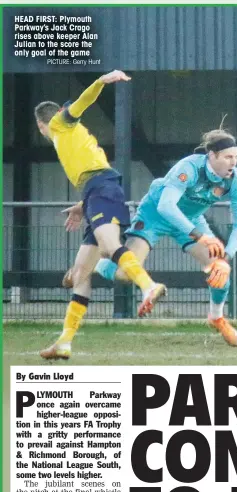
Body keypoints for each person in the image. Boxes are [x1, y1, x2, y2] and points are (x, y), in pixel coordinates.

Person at [35, 70, 166, 361]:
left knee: (108, 247)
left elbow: (80, 103)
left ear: (40, 125)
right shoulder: (67, 139)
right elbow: (89, 167)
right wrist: (83, 205)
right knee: (80, 273)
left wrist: (100, 81)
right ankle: (65, 342)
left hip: (102, 188)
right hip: (95, 193)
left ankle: (149, 286)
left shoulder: (59, 124)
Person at [83, 128, 237, 346]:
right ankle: (97, 263)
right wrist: (200, 236)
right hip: (155, 215)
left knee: (219, 269)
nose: (233, 162)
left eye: (236, 157)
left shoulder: (235, 180)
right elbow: (166, 206)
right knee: (124, 274)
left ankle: (216, 317)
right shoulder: (188, 168)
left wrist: (226, 259)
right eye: (228, 157)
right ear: (212, 155)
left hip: (190, 221)